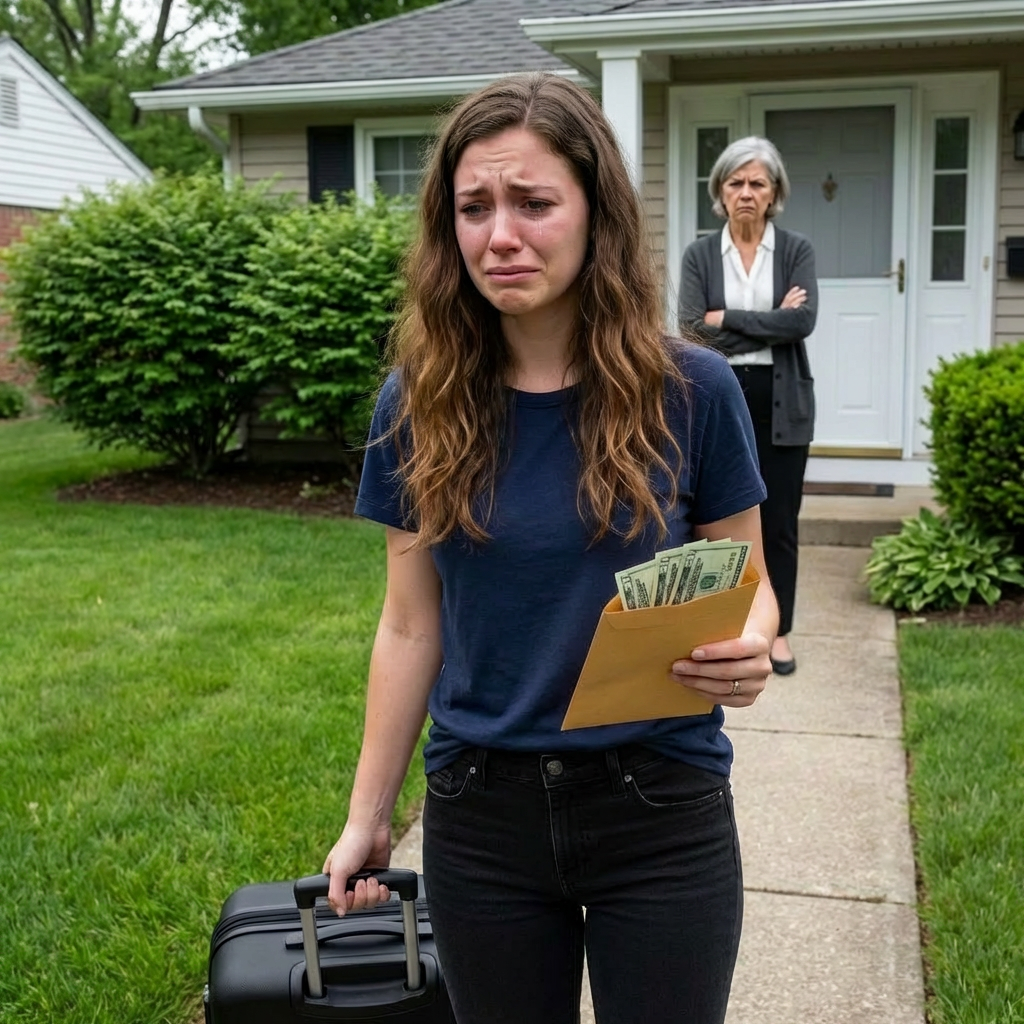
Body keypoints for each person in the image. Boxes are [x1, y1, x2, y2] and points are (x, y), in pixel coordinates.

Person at [323, 73, 779, 1024]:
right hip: (481, 817)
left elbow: (750, 584)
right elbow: (411, 627)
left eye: (534, 203)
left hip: (661, 803)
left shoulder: (693, 390)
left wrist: (749, 647)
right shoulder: (417, 402)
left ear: (594, 213)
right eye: (474, 207)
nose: (500, 236)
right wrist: (369, 820)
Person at [679, 137, 817, 676]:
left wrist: (725, 318)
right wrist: (764, 319)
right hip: (714, 402)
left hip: (782, 404)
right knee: (708, 522)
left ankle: (777, 632)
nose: (745, 193)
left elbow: (801, 324)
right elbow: (691, 329)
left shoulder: (796, 250)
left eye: (757, 183)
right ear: (719, 191)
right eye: (735, 182)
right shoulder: (699, 254)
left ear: (774, 192)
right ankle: (715, 626)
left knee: (779, 522)